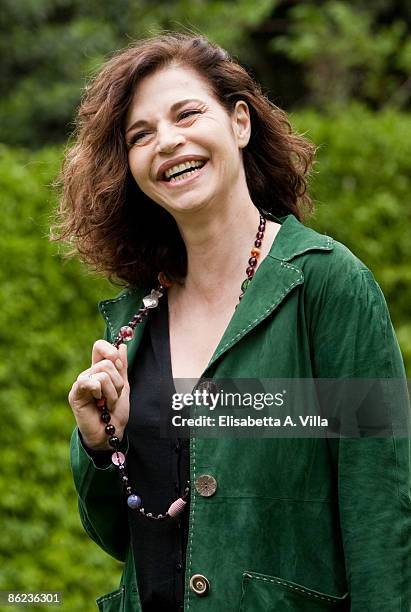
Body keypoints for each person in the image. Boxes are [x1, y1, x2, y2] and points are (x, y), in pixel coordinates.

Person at [55, 33, 410, 611]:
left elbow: (381, 514)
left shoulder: (327, 285)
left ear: (240, 123)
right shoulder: (136, 320)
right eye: (139, 136)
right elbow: (120, 537)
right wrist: (103, 445)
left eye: (187, 114)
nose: (166, 142)